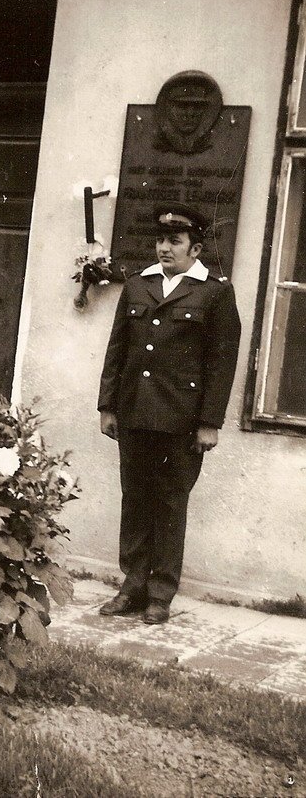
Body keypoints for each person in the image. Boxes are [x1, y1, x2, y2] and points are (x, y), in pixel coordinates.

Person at [97, 202, 241, 623]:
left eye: (174, 241)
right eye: (160, 240)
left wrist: (209, 422)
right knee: (135, 500)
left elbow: (221, 363)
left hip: (181, 421)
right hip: (135, 413)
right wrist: (108, 406)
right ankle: (132, 587)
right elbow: (117, 350)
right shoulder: (138, 286)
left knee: (170, 503)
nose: (164, 248)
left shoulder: (215, 293)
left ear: (195, 249)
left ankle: (160, 593)